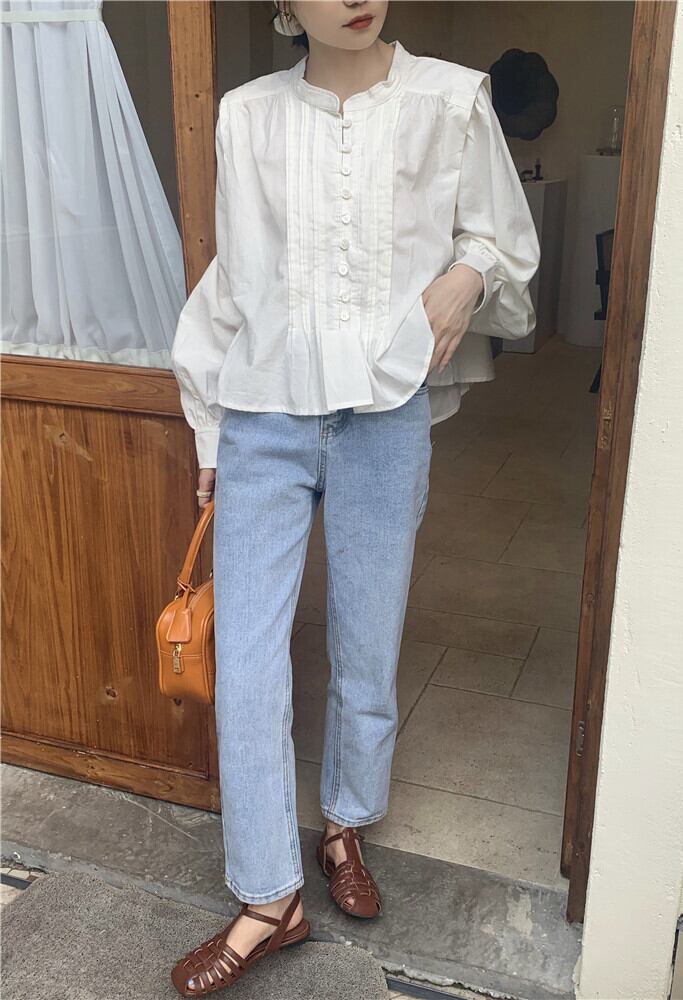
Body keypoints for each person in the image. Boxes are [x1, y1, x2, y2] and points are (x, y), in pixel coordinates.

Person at [169, 1, 540, 994]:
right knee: (249, 658)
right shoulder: (247, 114)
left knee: (367, 639)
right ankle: (268, 898)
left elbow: (503, 240)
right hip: (265, 412)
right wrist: (210, 426)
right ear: (284, 7)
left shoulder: (451, 101)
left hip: (386, 413)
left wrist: (467, 273)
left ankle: (344, 826)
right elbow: (236, 282)